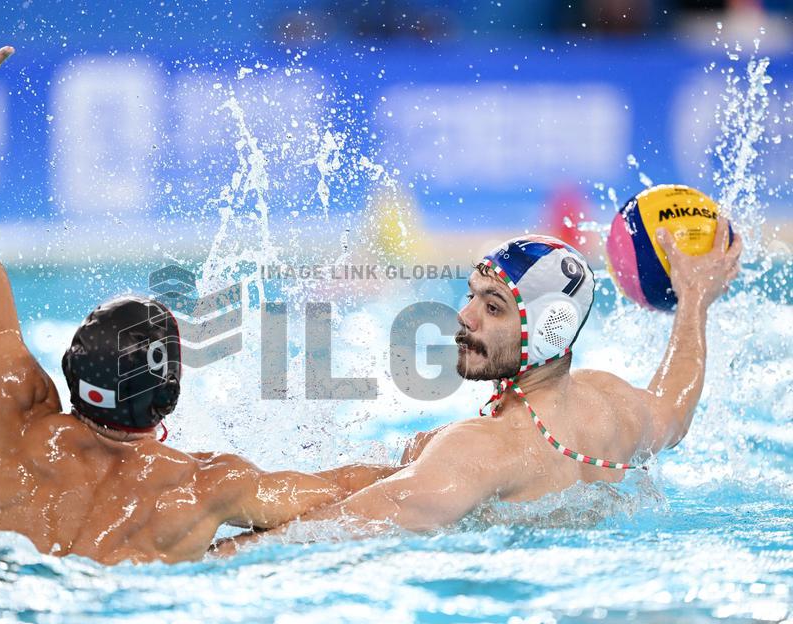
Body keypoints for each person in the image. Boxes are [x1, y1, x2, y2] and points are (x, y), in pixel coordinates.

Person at [0, 0, 395, 564]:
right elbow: (344, 491)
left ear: (72, 371)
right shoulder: (203, 487)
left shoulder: (9, 412)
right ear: (169, 394)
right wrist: (432, 451)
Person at [219, 228, 741, 547]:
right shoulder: (613, 405)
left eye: (493, 307)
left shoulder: (479, 449)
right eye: (471, 297)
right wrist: (694, 304)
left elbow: (329, 533)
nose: (463, 317)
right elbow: (675, 408)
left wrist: (215, 553)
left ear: (548, 329)